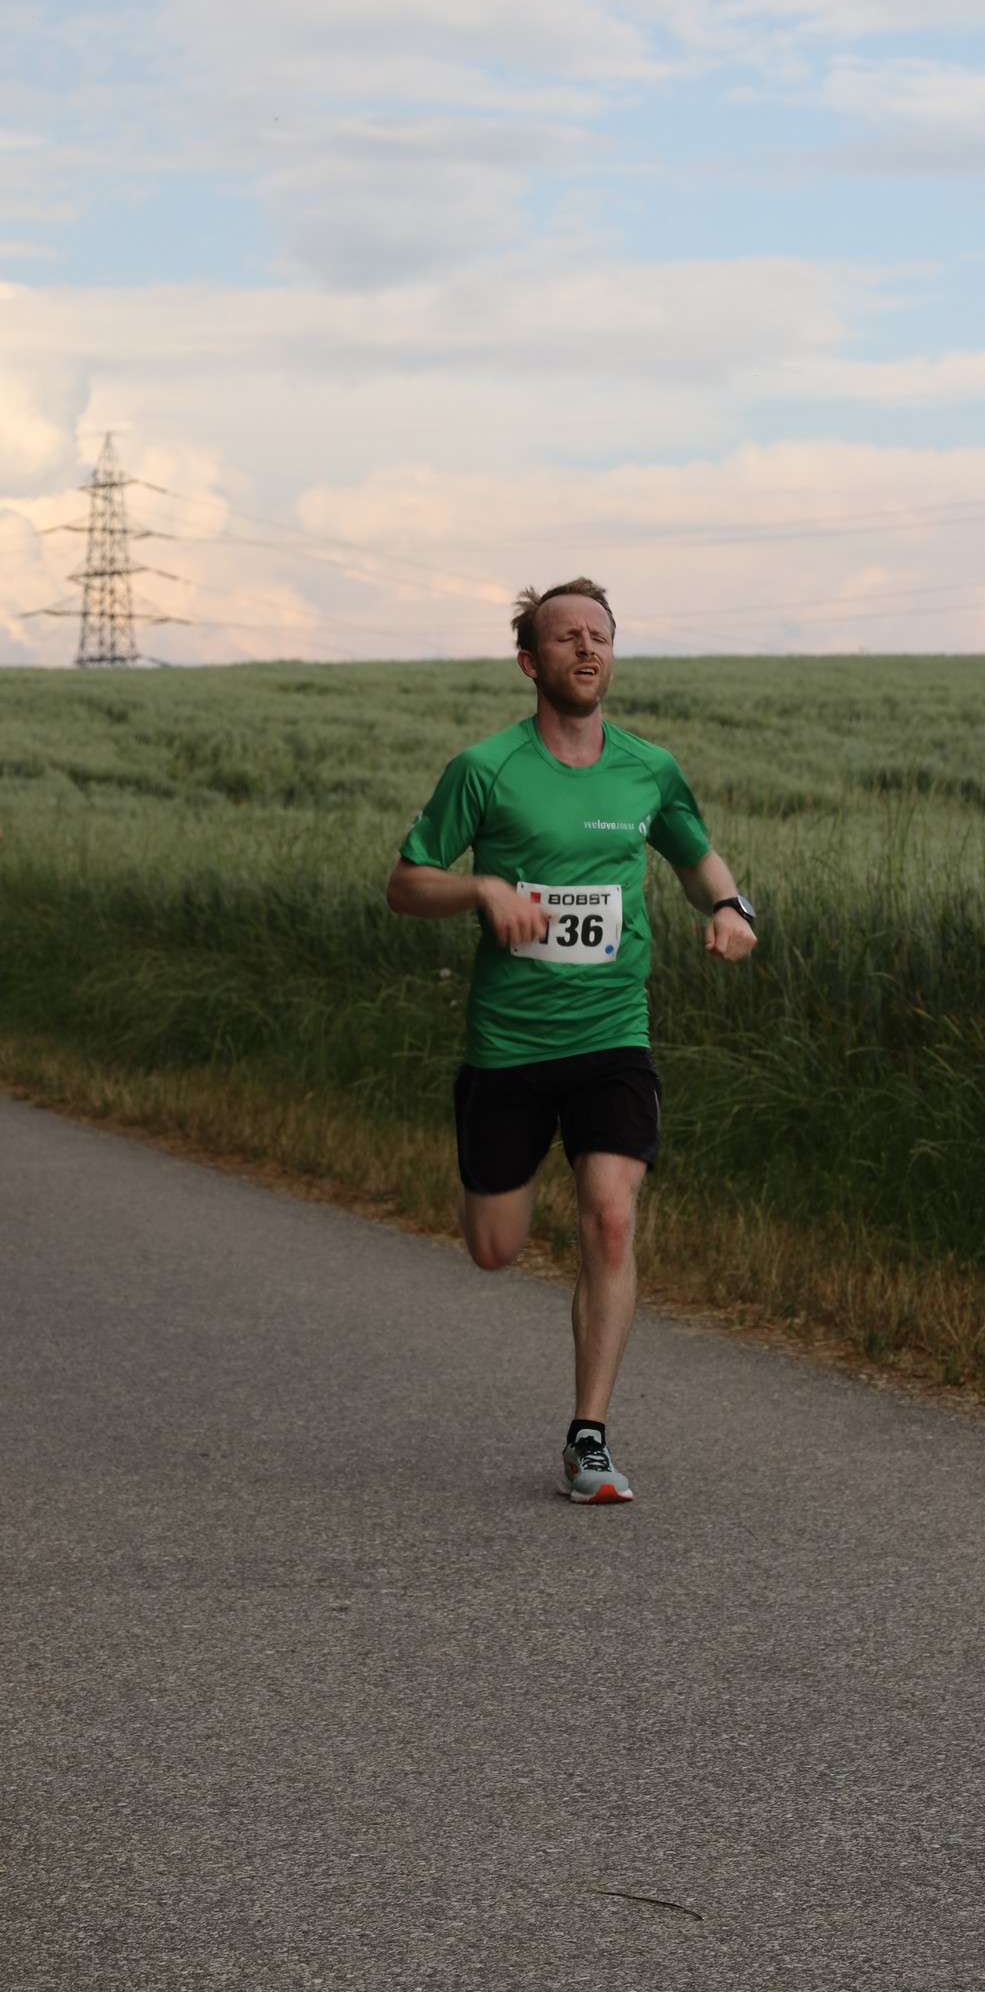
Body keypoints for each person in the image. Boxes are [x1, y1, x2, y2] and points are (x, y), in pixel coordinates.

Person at [385, 577, 756, 1503]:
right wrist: (481, 889)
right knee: (494, 1249)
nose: (588, 648)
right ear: (529, 661)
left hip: (611, 1033)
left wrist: (729, 906)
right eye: (566, 637)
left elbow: (694, 857)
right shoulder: (486, 770)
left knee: (611, 1218)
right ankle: (493, 1185)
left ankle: (588, 1438)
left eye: (601, 635)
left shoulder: (648, 769)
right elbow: (406, 883)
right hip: (509, 1045)